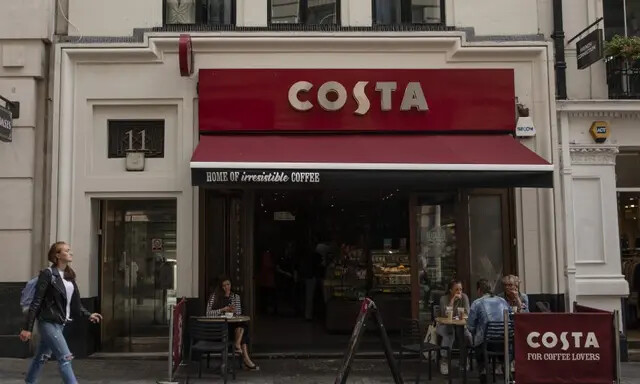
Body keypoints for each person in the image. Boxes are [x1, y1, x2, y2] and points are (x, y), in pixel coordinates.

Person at [19, 241, 103, 384]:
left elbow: (75, 304)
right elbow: (37, 302)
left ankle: (29, 382)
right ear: (57, 255)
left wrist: (89, 314)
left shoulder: (69, 276)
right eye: (66, 250)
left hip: (61, 323)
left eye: (69, 250)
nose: (70, 253)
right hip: (48, 322)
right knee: (65, 358)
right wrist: (27, 328)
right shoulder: (48, 274)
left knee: (41, 357)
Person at [206, 276, 259, 370]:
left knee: (242, 326)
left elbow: (238, 314)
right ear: (220, 287)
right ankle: (245, 358)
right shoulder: (214, 296)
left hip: (232, 327)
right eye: (224, 285)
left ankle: (238, 346)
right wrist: (222, 310)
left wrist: (233, 311)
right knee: (243, 333)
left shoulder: (235, 297)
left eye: (228, 284)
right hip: (219, 330)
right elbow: (208, 313)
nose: (227, 287)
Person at [467, 278, 510, 384]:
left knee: (476, 338)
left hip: (486, 344)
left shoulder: (477, 303)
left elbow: (470, 326)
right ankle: (505, 368)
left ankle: (483, 370)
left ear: (479, 290)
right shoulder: (502, 301)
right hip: (504, 342)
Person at [436, 279, 471, 375]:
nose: (459, 292)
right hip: (444, 325)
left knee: (465, 335)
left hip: (460, 325)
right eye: (456, 290)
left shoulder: (464, 297)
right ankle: (444, 360)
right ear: (451, 290)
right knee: (449, 334)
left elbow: (467, 313)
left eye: (461, 289)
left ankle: (464, 360)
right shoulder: (444, 299)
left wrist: (461, 315)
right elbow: (444, 314)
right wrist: (452, 301)